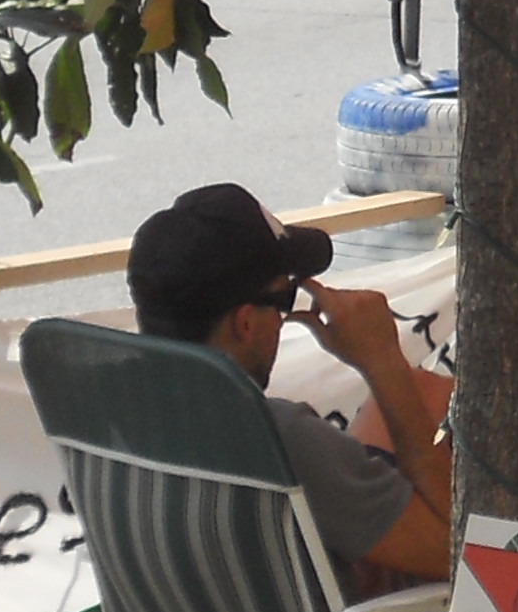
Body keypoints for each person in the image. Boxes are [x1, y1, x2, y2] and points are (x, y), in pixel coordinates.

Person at [125, 183, 456, 584]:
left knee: (421, 395)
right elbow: (458, 552)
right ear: (245, 323)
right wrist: (384, 363)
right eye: (285, 300)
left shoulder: (120, 421)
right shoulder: (278, 437)